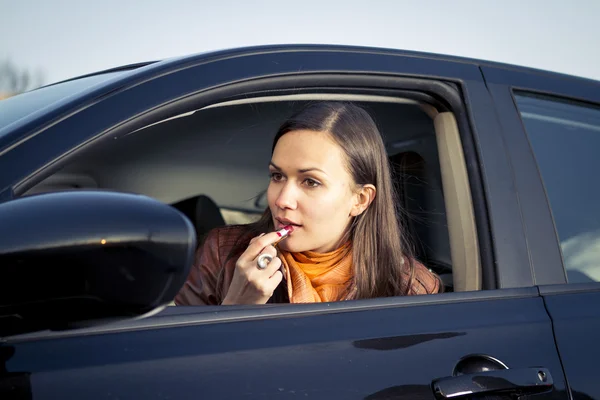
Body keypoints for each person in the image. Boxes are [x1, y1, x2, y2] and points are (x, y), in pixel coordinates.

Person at [174, 101, 442, 305]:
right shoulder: (222, 254)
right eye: (277, 176)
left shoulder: (412, 287)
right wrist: (237, 307)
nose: (282, 200)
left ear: (359, 200)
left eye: (310, 182)